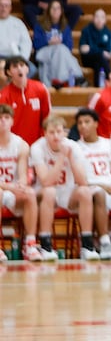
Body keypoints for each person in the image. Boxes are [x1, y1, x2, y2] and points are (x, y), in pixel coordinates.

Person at [31, 115, 98, 260]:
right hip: (45, 194)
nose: (56, 136)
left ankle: (87, 245)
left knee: (85, 192)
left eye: (59, 132)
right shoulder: (37, 147)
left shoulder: (73, 146)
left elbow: (82, 181)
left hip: (67, 193)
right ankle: (45, 245)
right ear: (45, 133)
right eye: (51, 132)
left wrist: (71, 158)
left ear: (64, 133)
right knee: (49, 191)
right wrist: (61, 157)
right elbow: (46, 181)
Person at [76, 107, 111, 260]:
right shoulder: (76, 147)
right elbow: (79, 179)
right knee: (99, 194)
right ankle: (105, 241)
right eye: (80, 123)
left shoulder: (110, 144)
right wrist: (102, 185)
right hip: (93, 188)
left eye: (87, 122)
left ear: (96, 124)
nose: (83, 126)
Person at [0, 103, 42, 262]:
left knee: (30, 193)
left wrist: (21, 185)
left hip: (12, 191)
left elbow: (23, 174)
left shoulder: (21, 144)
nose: (3, 121)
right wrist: (9, 186)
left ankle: (30, 244)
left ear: (12, 121)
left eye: (6, 117)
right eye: (0, 118)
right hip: (3, 189)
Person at [32, 0, 84, 88]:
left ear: (61, 11)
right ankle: (73, 77)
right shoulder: (39, 25)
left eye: (58, 8)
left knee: (61, 50)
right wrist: (49, 42)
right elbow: (36, 44)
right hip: (44, 52)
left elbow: (69, 46)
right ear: (49, 10)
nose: (55, 10)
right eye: (53, 8)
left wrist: (58, 43)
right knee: (60, 49)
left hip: (60, 53)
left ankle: (67, 78)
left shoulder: (65, 26)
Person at [0, 56, 51, 144]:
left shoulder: (40, 88)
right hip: (14, 146)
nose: (19, 69)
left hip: (38, 144)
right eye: (15, 67)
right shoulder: (4, 95)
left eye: (22, 65)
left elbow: (46, 117)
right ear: (8, 72)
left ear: (27, 69)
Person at [0, 0, 35, 77]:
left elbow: (26, 43)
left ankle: (15, 88)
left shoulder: (18, 23)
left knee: (31, 69)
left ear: (10, 8)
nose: (3, 8)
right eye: (1, 5)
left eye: (6, 6)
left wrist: (21, 60)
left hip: (15, 57)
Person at [79, 8, 111, 85]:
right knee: (100, 56)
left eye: (102, 17)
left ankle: (97, 87)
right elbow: (83, 49)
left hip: (102, 60)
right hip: (88, 59)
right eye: (97, 17)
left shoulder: (108, 33)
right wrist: (101, 51)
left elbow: (108, 51)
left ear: (105, 20)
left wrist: (91, 48)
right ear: (93, 18)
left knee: (98, 63)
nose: (99, 19)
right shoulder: (86, 30)